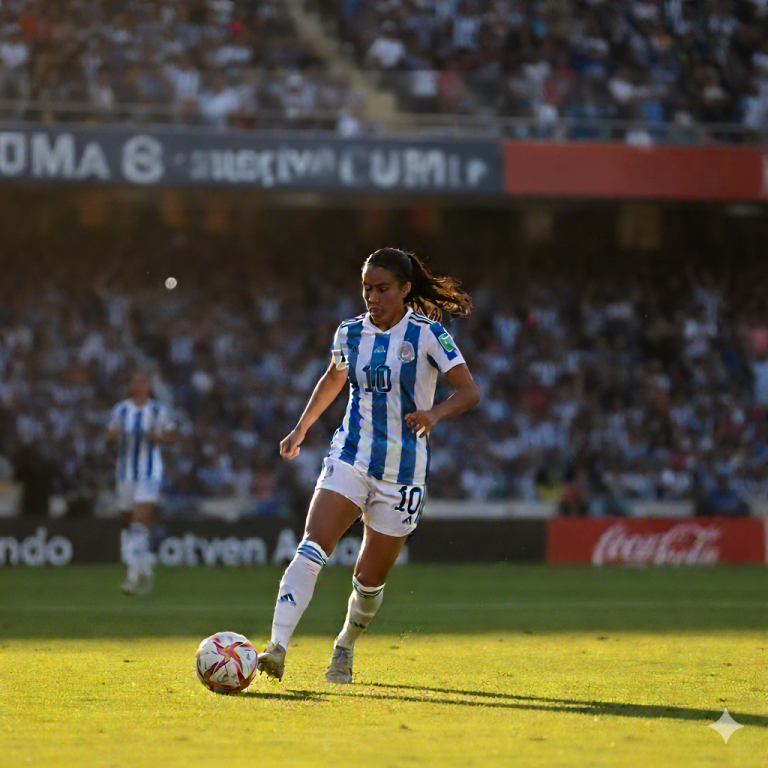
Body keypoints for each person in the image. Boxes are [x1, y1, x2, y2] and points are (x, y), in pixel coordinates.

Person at [258, 248, 480, 683]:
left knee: (368, 579)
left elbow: (469, 391)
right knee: (312, 544)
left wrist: (434, 414)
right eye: (367, 289)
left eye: (382, 289)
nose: (372, 298)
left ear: (404, 289)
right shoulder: (349, 333)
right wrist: (301, 428)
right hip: (350, 455)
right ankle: (276, 647)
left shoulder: (428, 335)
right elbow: (334, 378)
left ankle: (344, 646)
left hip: (403, 473)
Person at [106, 371, 177, 595]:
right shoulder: (121, 410)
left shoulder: (158, 410)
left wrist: (159, 437)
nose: (139, 387)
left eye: (143, 383)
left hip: (149, 473)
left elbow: (172, 436)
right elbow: (109, 439)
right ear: (130, 386)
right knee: (129, 523)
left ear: (149, 386)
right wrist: (113, 436)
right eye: (135, 383)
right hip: (125, 473)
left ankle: (132, 577)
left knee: (138, 521)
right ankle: (145, 567)